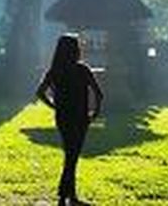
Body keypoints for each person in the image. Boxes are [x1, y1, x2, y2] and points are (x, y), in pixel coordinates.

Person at [36, 33, 103, 205]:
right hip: (81, 118)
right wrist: (94, 113)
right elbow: (99, 94)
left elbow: (40, 93)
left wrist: (54, 106)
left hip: (63, 118)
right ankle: (64, 195)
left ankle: (68, 195)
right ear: (76, 50)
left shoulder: (55, 70)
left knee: (70, 155)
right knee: (72, 156)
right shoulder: (83, 69)